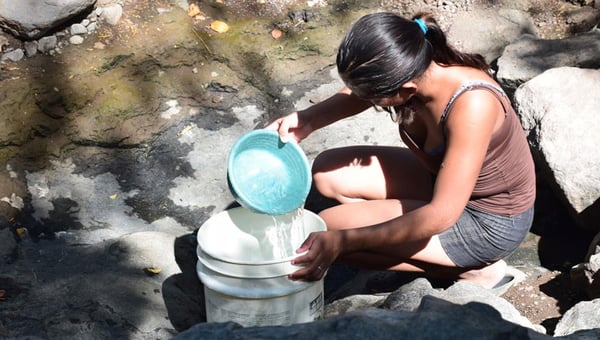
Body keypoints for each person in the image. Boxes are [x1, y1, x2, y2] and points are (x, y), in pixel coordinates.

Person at [265, 12, 535, 290]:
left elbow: (441, 214)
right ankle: (404, 236)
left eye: (374, 98)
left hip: (488, 221)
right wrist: (307, 120)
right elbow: (360, 92)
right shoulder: (416, 62)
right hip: (445, 182)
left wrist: (348, 240)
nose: (366, 100)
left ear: (406, 89)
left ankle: (474, 271)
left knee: (327, 229)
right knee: (326, 171)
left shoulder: (473, 105)